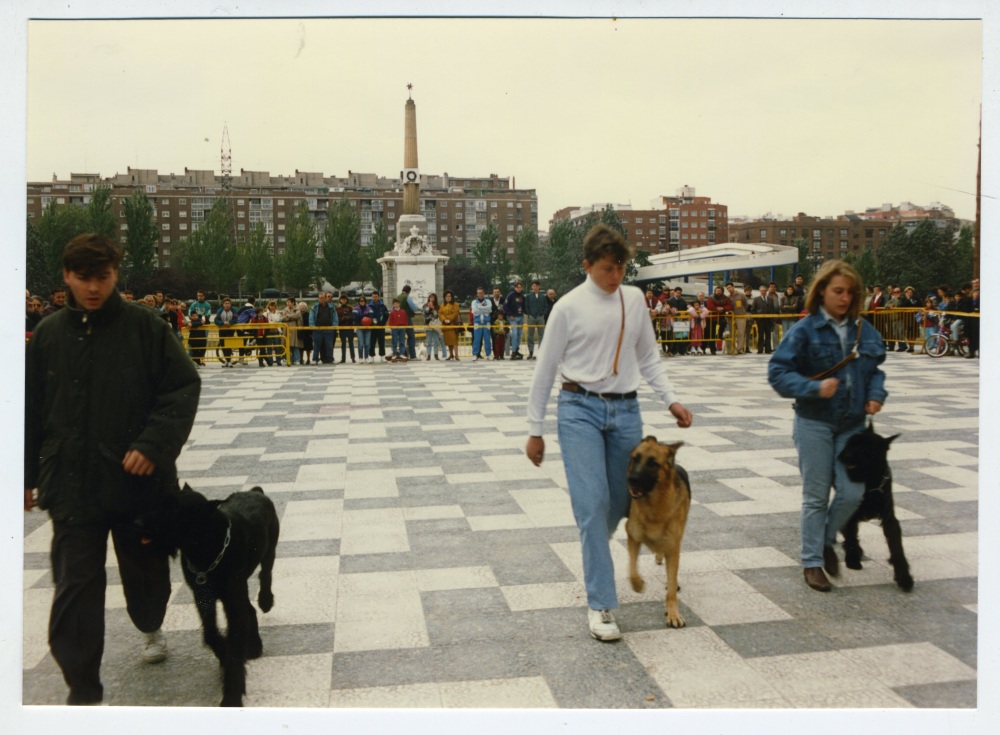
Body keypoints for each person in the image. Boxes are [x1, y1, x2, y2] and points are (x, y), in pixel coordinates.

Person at [24, 233, 201, 705]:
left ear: (116, 275)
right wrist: (24, 476)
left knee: (146, 579)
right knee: (75, 589)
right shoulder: (48, 335)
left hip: (137, 484)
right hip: (71, 484)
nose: (93, 288)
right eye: (83, 278)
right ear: (66, 277)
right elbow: (28, 409)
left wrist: (152, 445)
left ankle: (150, 623)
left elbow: (182, 389)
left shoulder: (147, 328)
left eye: (102, 277)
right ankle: (83, 691)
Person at [525, 224, 693, 641]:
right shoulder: (567, 307)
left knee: (623, 499)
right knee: (593, 503)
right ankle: (600, 604)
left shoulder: (633, 300)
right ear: (587, 266)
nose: (614, 277)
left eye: (620, 268)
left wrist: (671, 399)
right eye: (605, 269)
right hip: (578, 408)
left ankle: (591, 545)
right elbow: (544, 371)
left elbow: (649, 356)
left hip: (625, 409)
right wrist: (535, 430)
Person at [767, 260, 887, 593]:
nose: (845, 298)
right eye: (838, 291)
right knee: (816, 497)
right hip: (814, 423)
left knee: (853, 492)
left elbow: (876, 369)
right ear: (822, 291)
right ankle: (812, 562)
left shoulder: (863, 329)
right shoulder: (804, 330)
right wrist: (813, 388)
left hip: (851, 425)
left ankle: (825, 541)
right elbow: (777, 373)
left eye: (850, 292)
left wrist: (876, 395)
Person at [310, 291, 338, 364]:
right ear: (318, 298)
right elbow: (311, 318)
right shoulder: (314, 307)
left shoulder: (331, 307)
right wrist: (312, 326)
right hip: (318, 330)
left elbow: (335, 317)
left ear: (326, 298)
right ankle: (315, 359)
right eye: (320, 298)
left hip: (329, 329)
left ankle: (330, 359)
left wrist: (334, 326)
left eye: (323, 298)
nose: (322, 299)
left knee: (329, 345)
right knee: (316, 346)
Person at [187, 290, 213, 366]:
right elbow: (190, 314)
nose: (200, 297)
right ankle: (194, 359)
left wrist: (201, 319)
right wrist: (198, 320)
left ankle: (201, 359)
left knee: (203, 343)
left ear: (204, 296)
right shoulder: (194, 305)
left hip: (204, 327)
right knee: (194, 343)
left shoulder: (207, 305)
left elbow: (208, 314)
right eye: (198, 295)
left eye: (201, 295)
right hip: (195, 327)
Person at [524, 280, 548, 360]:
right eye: (533, 286)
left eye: (536, 286)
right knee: (530, 335)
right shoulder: (528, 296)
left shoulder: (543, 297)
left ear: (539, 287)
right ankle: (531, 352)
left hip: (540, 317)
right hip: (531, 317)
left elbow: (546, 306)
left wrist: (543, 314)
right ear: (532, 287)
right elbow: (526, 306)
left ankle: (541, 352)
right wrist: (529, 314)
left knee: (542, 335)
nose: (535, 287)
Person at [705, 284, 732, 354]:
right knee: (711, 334)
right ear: (715, 291)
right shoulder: (711, 297)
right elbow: (709, 306)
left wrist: (723, 308)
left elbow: (729, 306)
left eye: (720, 291)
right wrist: (717, 309)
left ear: (722, 291)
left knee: (724, 323)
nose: (718, 292)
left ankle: (720, 334)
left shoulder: (726, 298)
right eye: (717, 291)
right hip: (711, 318)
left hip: (721, 316)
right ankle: (713, 350)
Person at [503, 281, 526, 360]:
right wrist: (510, 314)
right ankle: (513, 351)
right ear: (515, 288)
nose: (519, 289)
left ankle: (516, 350)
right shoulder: (511, 295)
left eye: (520, 287)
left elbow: (524, 306)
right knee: (514, 334)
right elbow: (505, 306)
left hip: (520, 317)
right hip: (513, 318)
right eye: (518, 287)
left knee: (519, 334)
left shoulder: (522, 296)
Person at [396, 284, 420, 359]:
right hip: (407, 318)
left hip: (398, 320)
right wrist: (418, 309)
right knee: (411, 336)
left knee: (401, 337)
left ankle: (401, 354)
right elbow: (413, 307)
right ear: (409, 291)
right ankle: (412, 355)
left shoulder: (397, 297)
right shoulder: (407, 297)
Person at [471, 287, 494, 360]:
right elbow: (474, 311)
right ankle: (475, 354)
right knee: (476, 339)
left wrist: (479, 308)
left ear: (484, 293)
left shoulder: (488, 301)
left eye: (481, 293)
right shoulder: (474, 302)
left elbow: (489, 309)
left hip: (486, 322)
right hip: (477, 322)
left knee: (487, 339)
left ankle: (488, 354)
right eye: (478, 293)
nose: (480, 294)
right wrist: (484, 309)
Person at [439, 289, 462, 361]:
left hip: (453, 324)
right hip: (445, 326)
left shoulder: (455, 304)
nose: (448, 297)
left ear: (452, 297)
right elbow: (440, 314)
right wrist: (444, 319)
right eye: (446, 296)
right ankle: (451, 354)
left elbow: (455, 313)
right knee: (448, 341)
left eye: (449, 296)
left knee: (454, 341)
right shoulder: (442, 305)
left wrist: (449, 319)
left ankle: (456, 355)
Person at [214, 297, 237, 366]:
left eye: (228, 303)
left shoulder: (234, 310)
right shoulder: (219, 311)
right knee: (223, 345)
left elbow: (236, 319)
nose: (227, 305)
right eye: (226, 303)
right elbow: (216, 320)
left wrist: (230, 323)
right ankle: (227, 361)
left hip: (230, 330)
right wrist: (223, 323)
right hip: (222, 330)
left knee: (228, 345)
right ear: (223, 304)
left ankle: (229, 360)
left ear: (230, 304)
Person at [282, 297, 305, 365]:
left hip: (295, 329)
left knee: (295, 345)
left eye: (289, 302)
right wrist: (291, 317)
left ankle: (297, 359)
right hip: (287, 329)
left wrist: (288, 316)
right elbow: (283, 318)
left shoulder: (297, 309)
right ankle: (290, 359)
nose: (287, 303)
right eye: (287, 302)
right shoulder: (285, 309)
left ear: (293, 303)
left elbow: (297, 316)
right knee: (288, 345)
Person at [369, 290, 390, 363]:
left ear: (379, 297)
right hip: (372, 327)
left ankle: (382, 356)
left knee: (381, 342)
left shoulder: (383, 306)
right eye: (373, 297)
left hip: (381, 327)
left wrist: (382, 322)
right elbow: (368, 316)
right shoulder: (369, 306)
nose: (375, 298)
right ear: (372, 297)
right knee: (372, 342)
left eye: (376, 297)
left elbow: (386, 315)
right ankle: (371, 357)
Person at [422, 292, 444, 360]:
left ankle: (436, 354)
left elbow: (437, 315)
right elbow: (424, 314)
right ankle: (428, 355)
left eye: (433, 297)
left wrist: (433, 308)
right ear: (429, 298)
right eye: (431, 297)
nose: (432, 299)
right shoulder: (425, 305)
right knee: (428, 340)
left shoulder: (438, 306)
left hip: (436, 325)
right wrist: (428, 307)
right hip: (428, 324)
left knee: (436, 340)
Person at [353, 295, 374, 364]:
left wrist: (363, 317)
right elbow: (355, 318)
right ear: (359, 302)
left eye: (363, 301)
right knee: (361, 344)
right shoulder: (355, 308)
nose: (362, 302)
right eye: (361, 301)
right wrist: (364, 317)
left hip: (368, 328)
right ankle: (360, 357)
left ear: (365, 301)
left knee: (367, 344)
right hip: (359, 328)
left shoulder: (369, 308)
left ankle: (366, 357)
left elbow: (371, 317)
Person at [336, 294, 356, 364]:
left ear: (347, 300)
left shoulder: (350, 308)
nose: (343, 300)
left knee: (351, 343)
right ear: (340, 300)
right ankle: (343, 358)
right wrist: (343, 318)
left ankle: (353, 357)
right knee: (343, 344)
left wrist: (349, 316)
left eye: (345, 299)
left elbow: (353, 317)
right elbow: (337, 319)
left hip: (350, 328)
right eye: (342, 299)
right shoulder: (338, 309)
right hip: (342, 328)